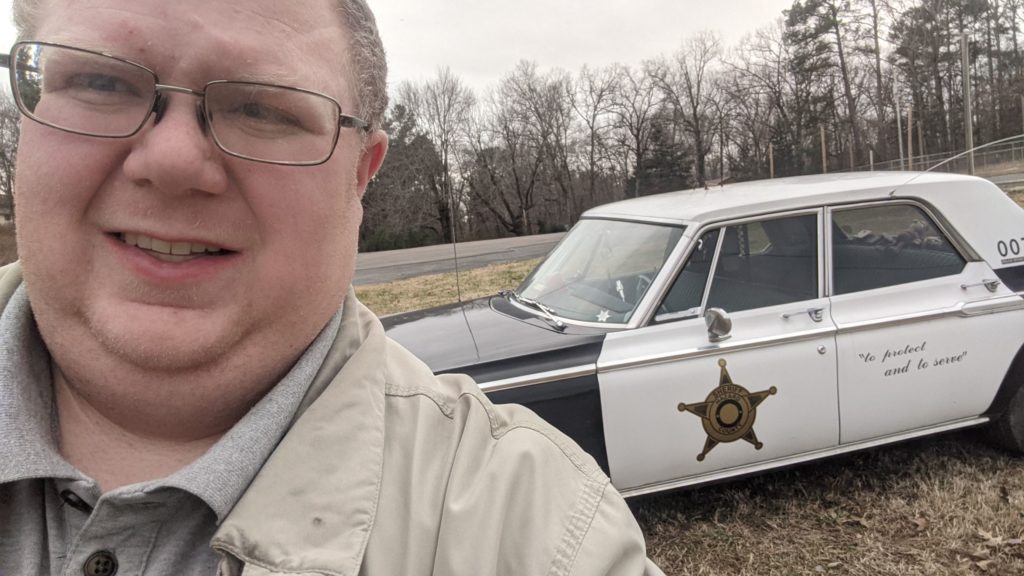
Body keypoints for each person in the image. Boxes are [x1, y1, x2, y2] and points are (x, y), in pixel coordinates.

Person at [0, 1, 664, 574]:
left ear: (359, 177)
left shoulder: (536, 533)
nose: (172, 161)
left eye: (259, 108)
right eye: (98, 82)